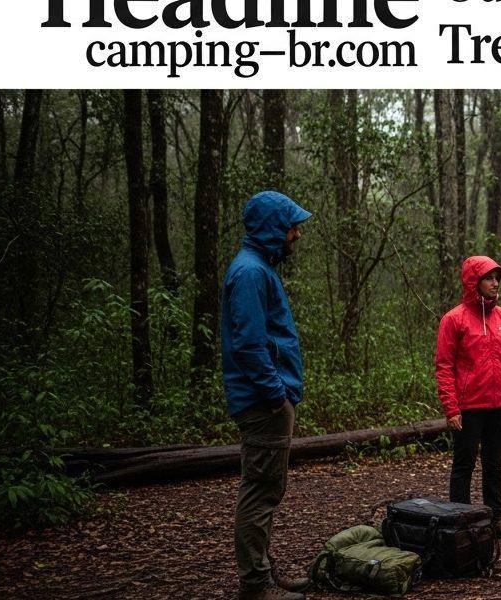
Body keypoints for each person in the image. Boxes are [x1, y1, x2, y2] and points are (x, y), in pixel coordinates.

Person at [221, 191, 314, 600]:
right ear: (273, 228)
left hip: (268, 398)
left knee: (267, 488)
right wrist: (277, 396)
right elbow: (249, 344)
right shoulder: (251, 273)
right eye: (292, 226)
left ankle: (261, 571)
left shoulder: (259, 268)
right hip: (264, 402)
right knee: (261, 489)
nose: (296, 234)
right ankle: (255, 586)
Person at [435, 255, 501, 539]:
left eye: (496, 277)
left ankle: (495, 519)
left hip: (499, 404)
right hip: (469, 406)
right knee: (463, 465)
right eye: (488, 277)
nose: (495, 283)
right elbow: (444, 366)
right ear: (473, 282)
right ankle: (459, 522)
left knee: (494, 465)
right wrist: (451, 408)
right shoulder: (454, 319)